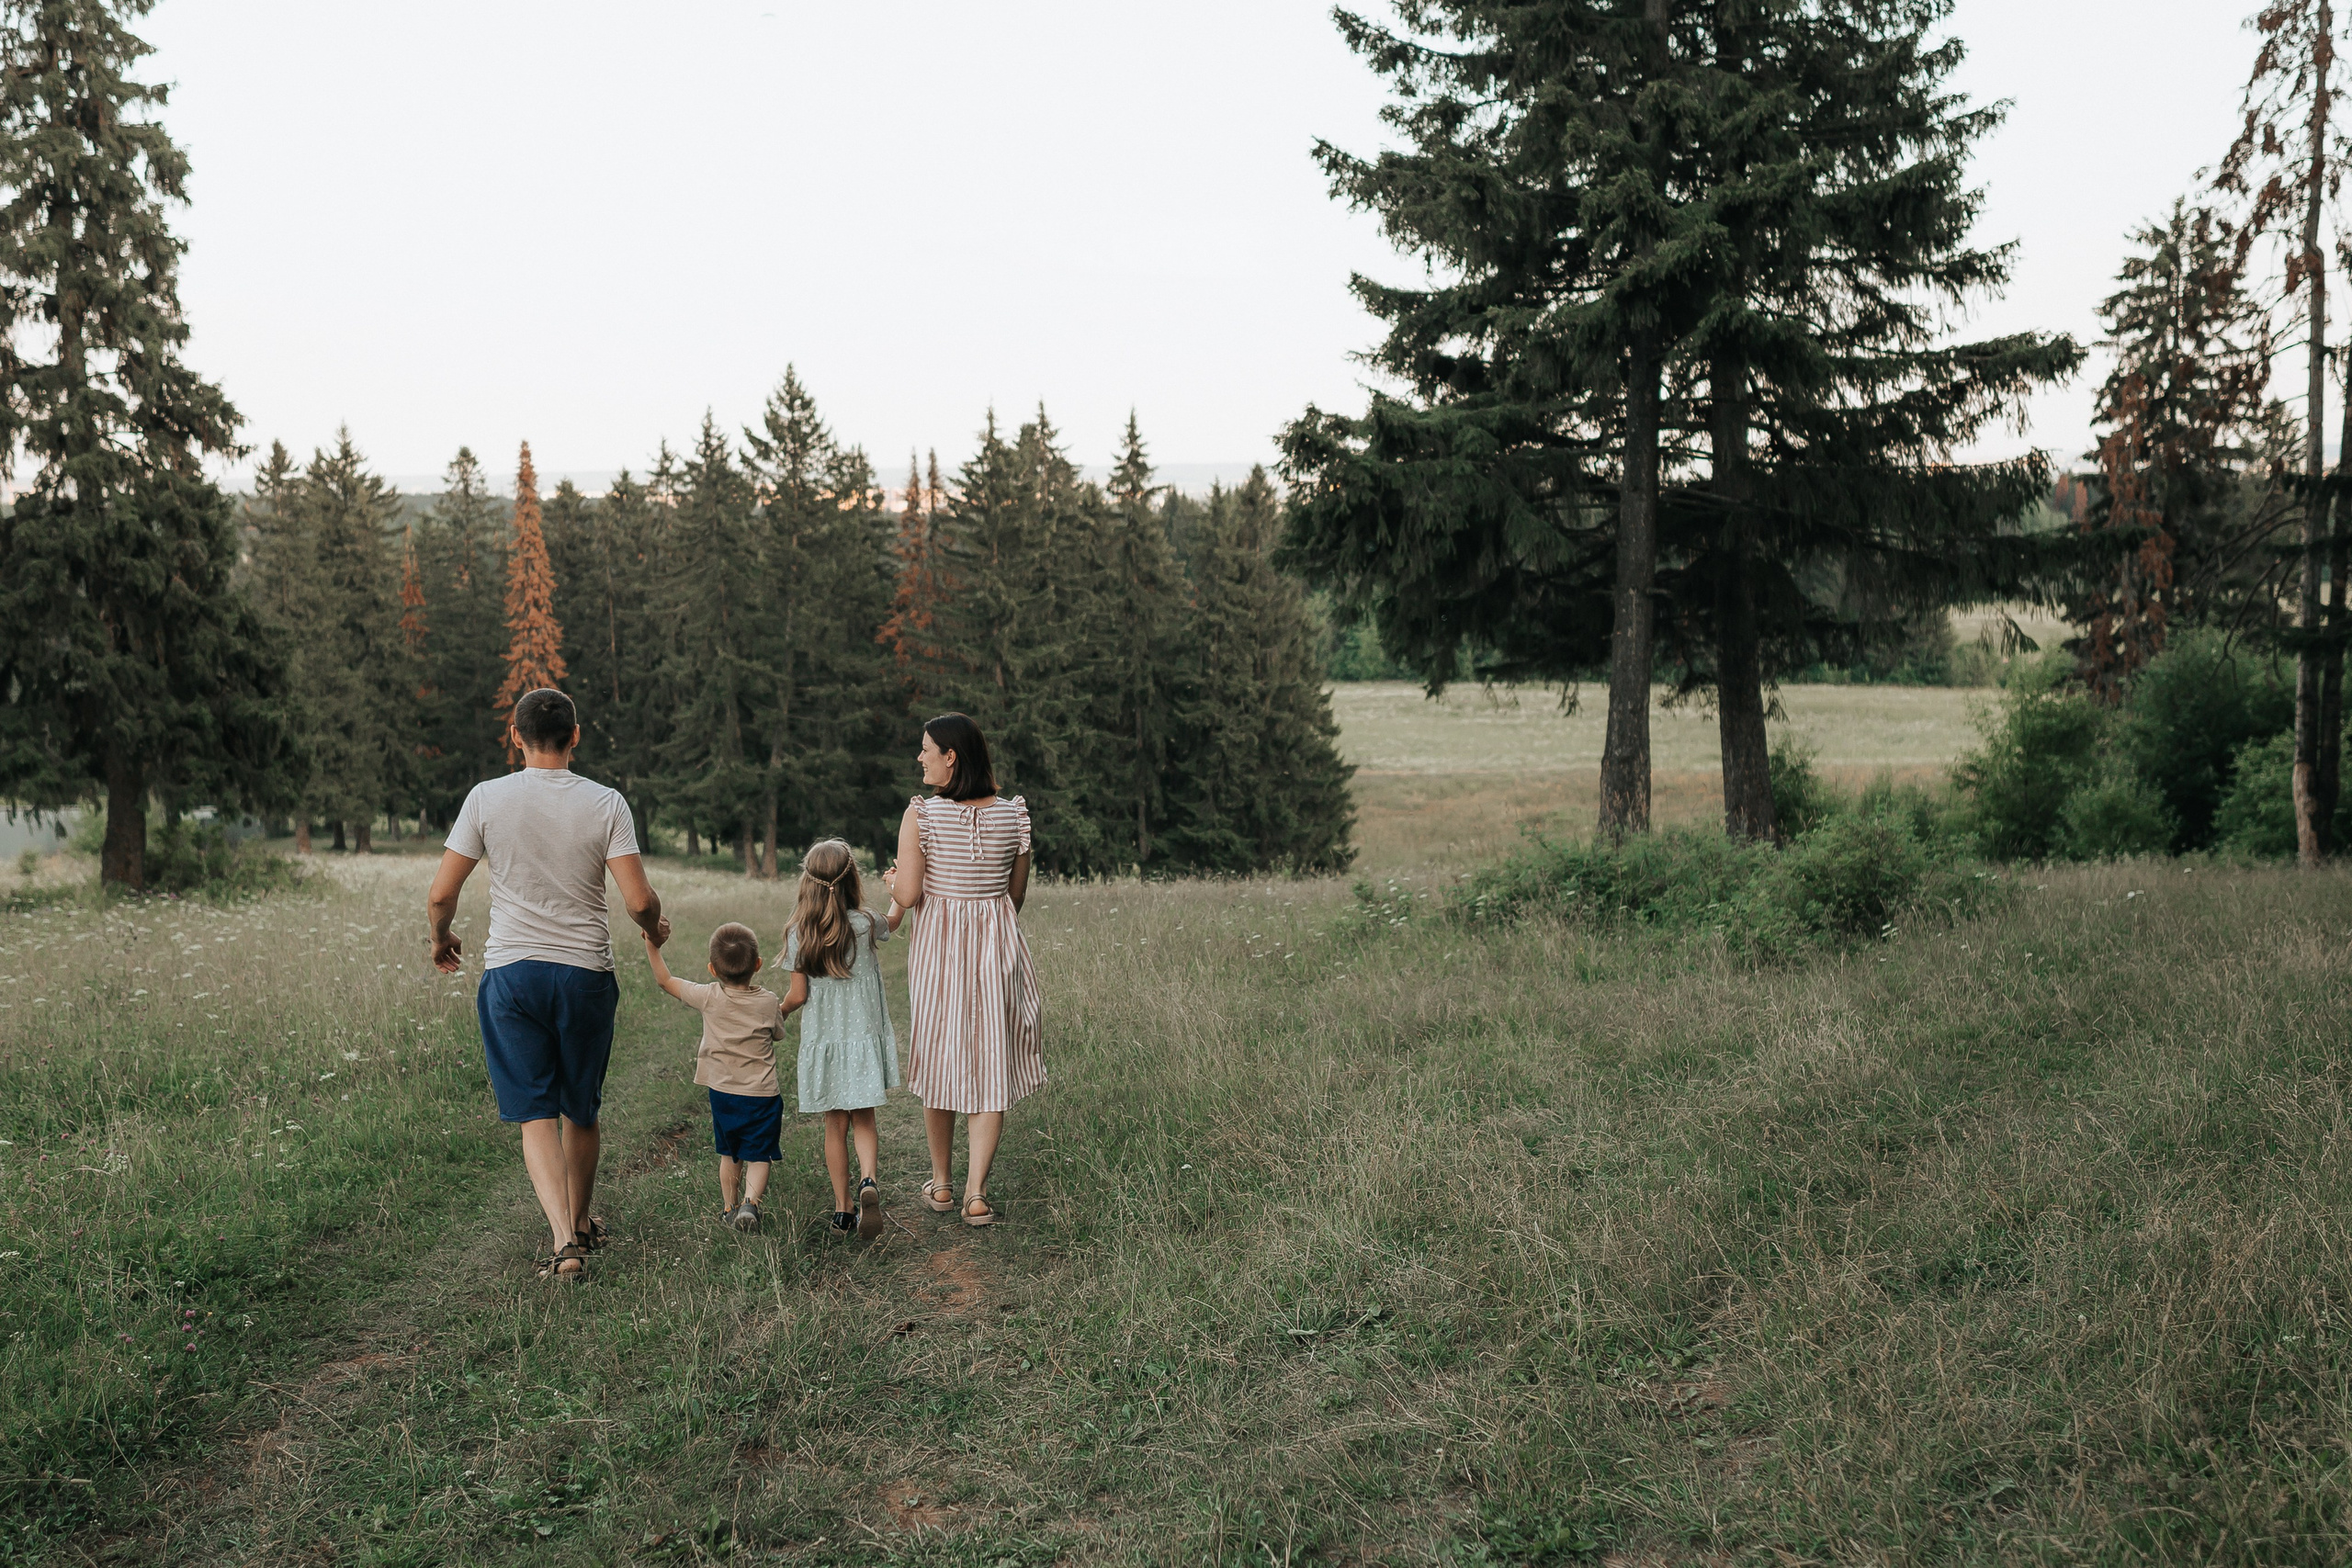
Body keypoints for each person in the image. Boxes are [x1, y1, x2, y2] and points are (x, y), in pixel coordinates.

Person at [426, 688, 666, 1281]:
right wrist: (654, 924)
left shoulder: (486, 798)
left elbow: (440, 892)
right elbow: (637, 899)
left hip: (513, 973)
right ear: (575, 736)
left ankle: (565, 1243)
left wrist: (441, 936)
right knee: (580, 1108)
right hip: (584, 972)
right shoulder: (607, 802)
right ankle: (582, 1222)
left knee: (536, 1113)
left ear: (515, 735)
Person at [888, 713, 1042, 1228]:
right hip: (997, 948)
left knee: (940, 1059)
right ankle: (977, 1193)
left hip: (940, 951)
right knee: (990, 1061)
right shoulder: (1014, 816)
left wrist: (892, 881)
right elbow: (1014, 896)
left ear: (951, 756)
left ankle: (943, 1184)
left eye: (926, 748)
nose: (920, 757)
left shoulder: (922, 816)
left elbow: (909, 895)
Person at [778, 838, 903, 1240]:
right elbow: (896, 919)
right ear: (852, 879)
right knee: (864, 1118)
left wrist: (771, 1016)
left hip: (826, 1044)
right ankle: (868, 1180)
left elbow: (797, 996)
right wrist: (897, 889)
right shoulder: (866, 923)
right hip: (862, 1040)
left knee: (835, 1126)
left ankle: (842, 1209)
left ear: (807, 883)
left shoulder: (799, 932)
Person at [642, 921, 785, 1234]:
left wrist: (652, 945)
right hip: (762, 1093)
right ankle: (751, 1204)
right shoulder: (769, 1001)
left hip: (723, 1093)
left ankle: (729, 1208)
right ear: (757, 965)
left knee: (729, 1152)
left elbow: (666, 981)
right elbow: (777, 1033)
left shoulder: (708, 996)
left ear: (711, 968)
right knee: (759, 1154)